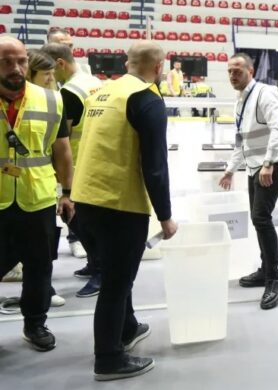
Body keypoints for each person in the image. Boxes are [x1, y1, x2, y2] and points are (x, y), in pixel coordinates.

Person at [71, 41, 177, 381]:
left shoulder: (102, 93)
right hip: (118, 204)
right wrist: (165, 216)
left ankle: (128, 328)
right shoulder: (146, 99)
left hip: (84, 200)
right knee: (116, 284)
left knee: (117, 271)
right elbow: (155, 166)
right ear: (158, 67)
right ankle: (108, 358)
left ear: (126, 62)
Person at [0, 36, 75, 351]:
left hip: (38, 198)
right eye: (6, 62)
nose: (16, 68)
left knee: (39, 267)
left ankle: (35, 323)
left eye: (21, 61)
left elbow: (62, 150)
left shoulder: (51, 99)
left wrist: (67, 193)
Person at [218, 52, 278, 310]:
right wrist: (230, 170)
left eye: (237, 70)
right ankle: (265, 269)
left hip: (273, 164)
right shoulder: (240, 101)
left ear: (250, 71)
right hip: (254, 167)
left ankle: (274, 278)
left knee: (261, 218)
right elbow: (241, 140)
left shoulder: (264, 93)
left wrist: (269, 163)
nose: (232, 75)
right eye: (229, 71)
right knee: (257, 218)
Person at [41, 43, 104, 298]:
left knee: (78, 220)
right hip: (94, 161)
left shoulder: (68, 93)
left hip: (76, 165)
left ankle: (100, 271)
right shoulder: (93, 81)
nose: (49, 76)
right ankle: (94, 263)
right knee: (88, 220)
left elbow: (61, 137)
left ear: (60, 63)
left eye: (50, 70)